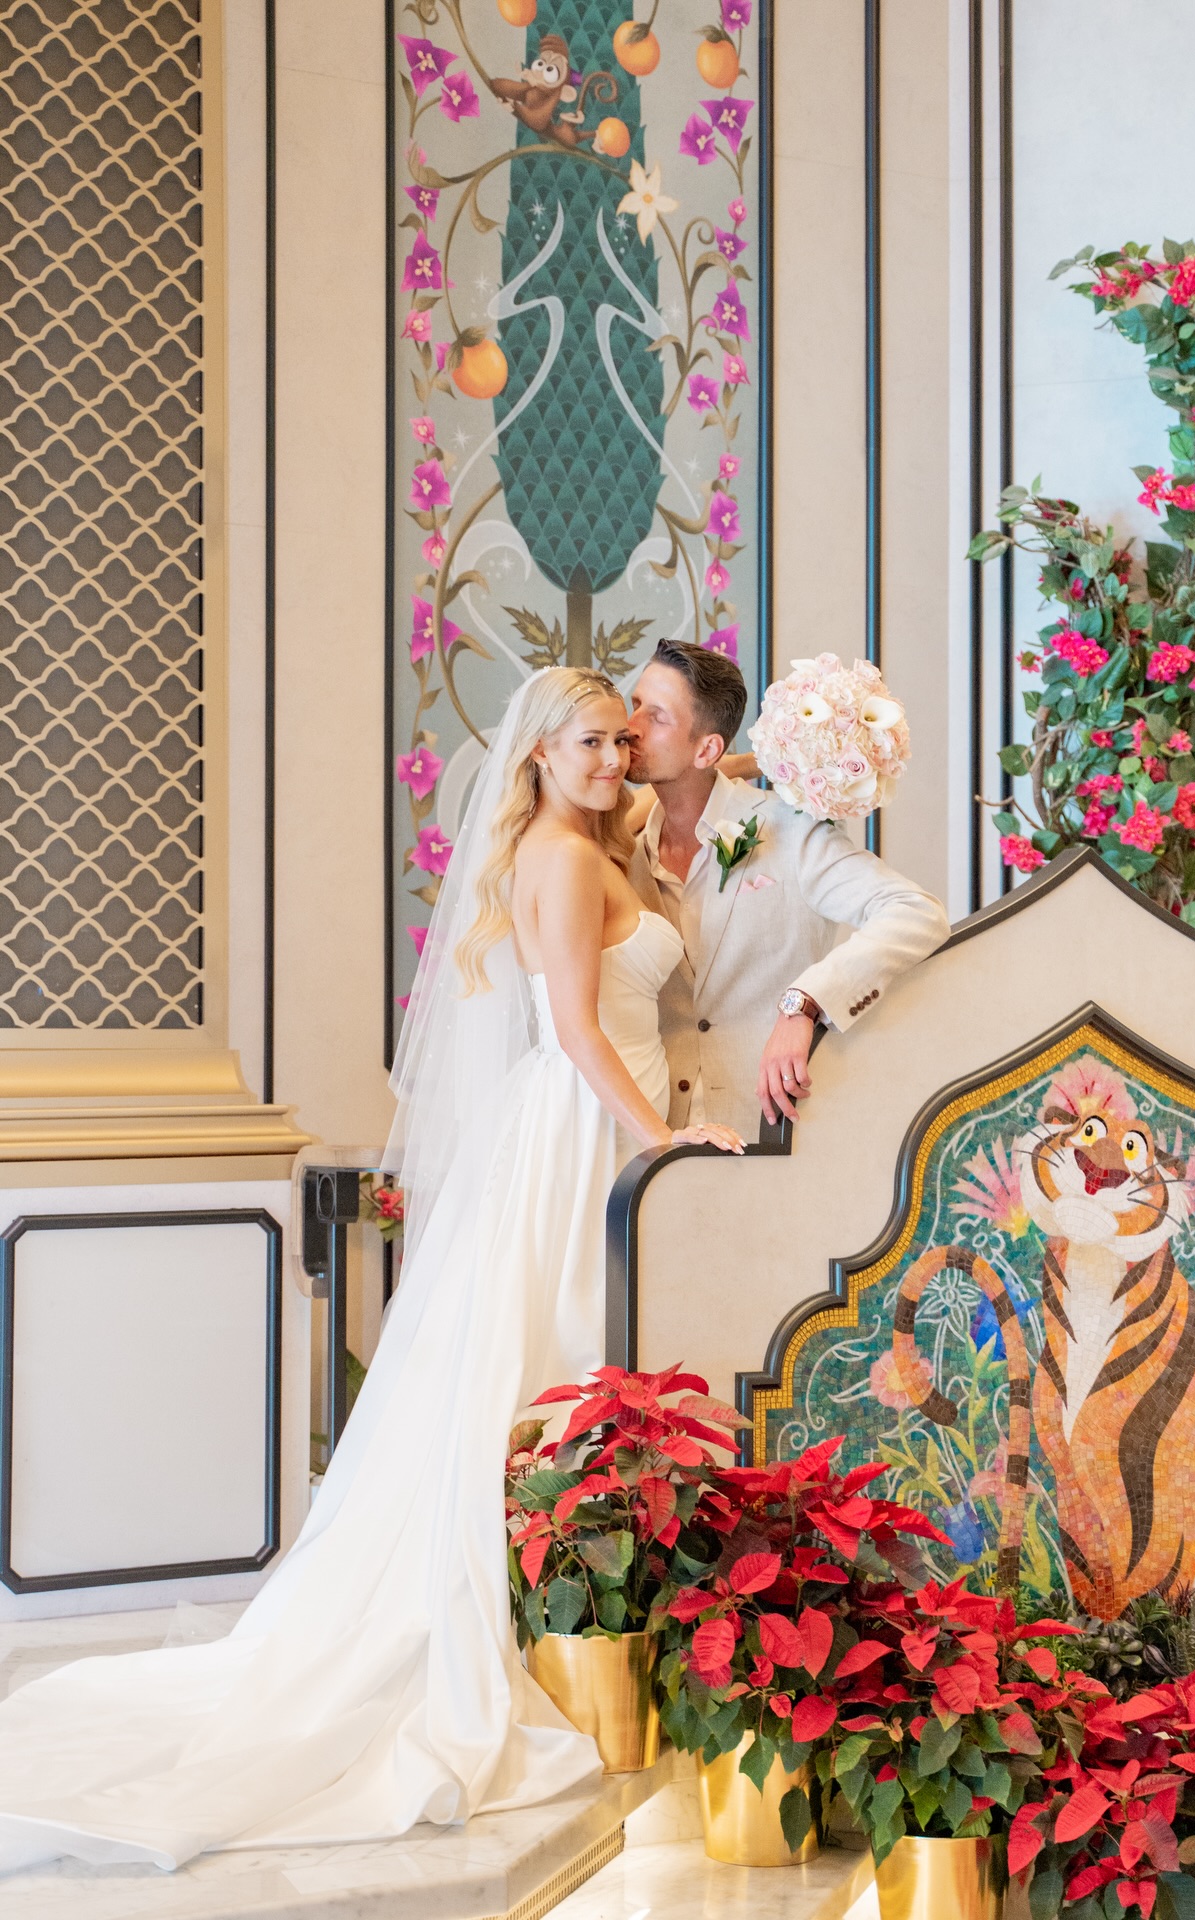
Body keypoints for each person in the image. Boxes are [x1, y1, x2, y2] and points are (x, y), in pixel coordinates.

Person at [0, 668, 741, 1876]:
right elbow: (572, 1028)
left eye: (622, 739)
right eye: (590, 743)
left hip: (608, 1114)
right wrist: (661, 1147)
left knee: (582, 1361)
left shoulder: (605, 848)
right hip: (579, 1125)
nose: (611, 760)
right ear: (541, 758)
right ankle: (542, 1625)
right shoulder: (558, 858)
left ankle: (599, 1624)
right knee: (551, 1356)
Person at [624, 639, 952, 1135]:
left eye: (658, 717)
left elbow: (916, 911)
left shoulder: (791, 831)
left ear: (708, 748)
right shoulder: (619, 845)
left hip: (772, 1132)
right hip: (648, 1134)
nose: (631, 729)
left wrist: (805, 1001)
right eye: (635, 706)